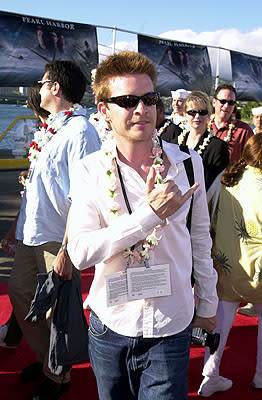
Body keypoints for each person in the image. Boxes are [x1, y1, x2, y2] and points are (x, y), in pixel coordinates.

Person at [67, 50, 218, 400]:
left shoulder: (187, 162)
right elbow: (80, 254)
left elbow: (200, 241)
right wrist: (150, 215)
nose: (142, 109)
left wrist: (208, 305)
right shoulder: (89, 170)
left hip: (171, 325)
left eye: (149, 99)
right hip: (111, 325)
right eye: (128, 100)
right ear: (104, 110)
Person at [8, 61, 101, 400]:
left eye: (43, 81)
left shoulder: (80, 132)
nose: (40, 86)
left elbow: (85, 196)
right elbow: (38, 183)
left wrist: (67, 249)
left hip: (56, 236)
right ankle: (49, 360)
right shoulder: (52, 129)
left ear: (56, 88)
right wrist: (15, 227)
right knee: (21, 295)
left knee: (56, 311)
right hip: (31, 232)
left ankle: (59, 376)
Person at [198, 134, 262, 397]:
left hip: (224, 266)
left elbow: (207, 214)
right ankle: (260, 376)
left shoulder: (227, 177)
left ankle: (209, 376)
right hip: (258, 270)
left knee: (219, 325)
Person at [0, 81, 51, 349]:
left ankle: (58, 366)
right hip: (31, 224)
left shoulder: (70, 130)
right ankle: (44, 356)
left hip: (50, 229)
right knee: (22, 289)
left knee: (55, 300)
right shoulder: (45, 131)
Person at [162, 91, 229, 192]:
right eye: (192, 112)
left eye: (202, 112)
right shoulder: (174, 142)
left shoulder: (218, 147)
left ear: (209, 115)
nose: (197, 116)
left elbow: (214, 184)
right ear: (185, 114)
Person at [210, 84, 253, 164]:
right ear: (214, 102)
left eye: (231, 103)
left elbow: (251, 160)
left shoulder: (244, 131)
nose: (226, 106)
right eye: (223, 101)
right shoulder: (203, 125)